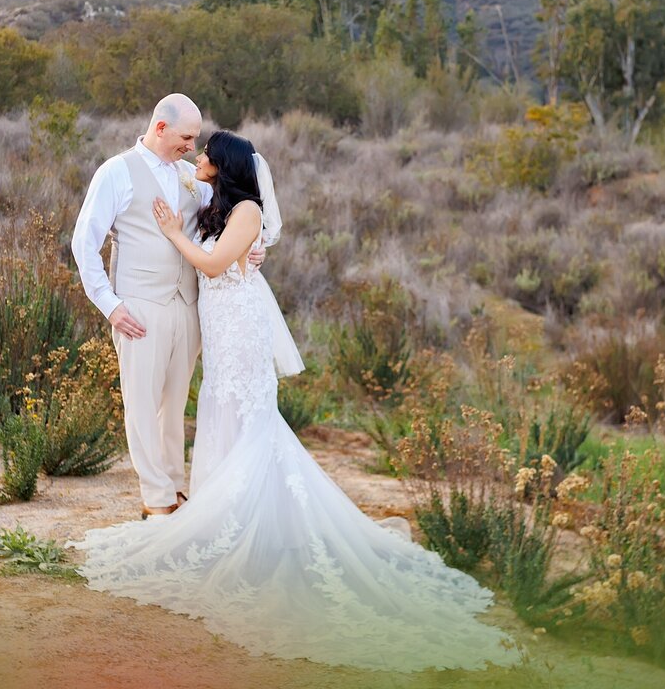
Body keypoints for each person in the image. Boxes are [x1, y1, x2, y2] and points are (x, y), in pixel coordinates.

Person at [69, 131, 518, 672]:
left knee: (247, 417)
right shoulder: (214, 200)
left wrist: (172, 233)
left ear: (225, 165)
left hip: (240, 331)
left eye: (206, 151)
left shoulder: (248, 212)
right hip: (218, 326)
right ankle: (219, 515)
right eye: (194, 145)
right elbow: (186, 194)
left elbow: (211, 266)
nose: (197, 157)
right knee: (218, 410)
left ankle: (253, 528)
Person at [71, 94, 266, 519]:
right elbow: (84, 243)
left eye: (196, 139)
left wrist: (253, 250)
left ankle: (176, 488)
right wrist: (109, 304)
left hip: (190, 306)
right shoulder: (116, 172)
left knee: (174, 404)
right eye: (186, 137)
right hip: (139, 306)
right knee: (141, 403)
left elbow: (227, 224)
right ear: (160, 127)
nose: (193, 147)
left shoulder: (190, 177)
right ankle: (156, 497)